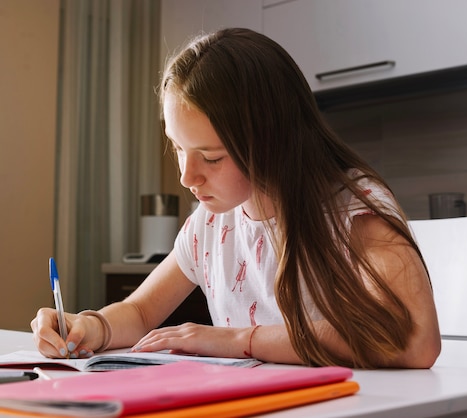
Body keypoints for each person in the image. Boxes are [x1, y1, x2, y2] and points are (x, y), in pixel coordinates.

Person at [31, 28, 441, 369]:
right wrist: (90, 326)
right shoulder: (212, 221)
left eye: (210, 157)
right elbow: (140, 312)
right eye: (178, 147)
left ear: (270, 142)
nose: (186, 177)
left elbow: (414, 341)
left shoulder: (354, 212)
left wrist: (236, 340)